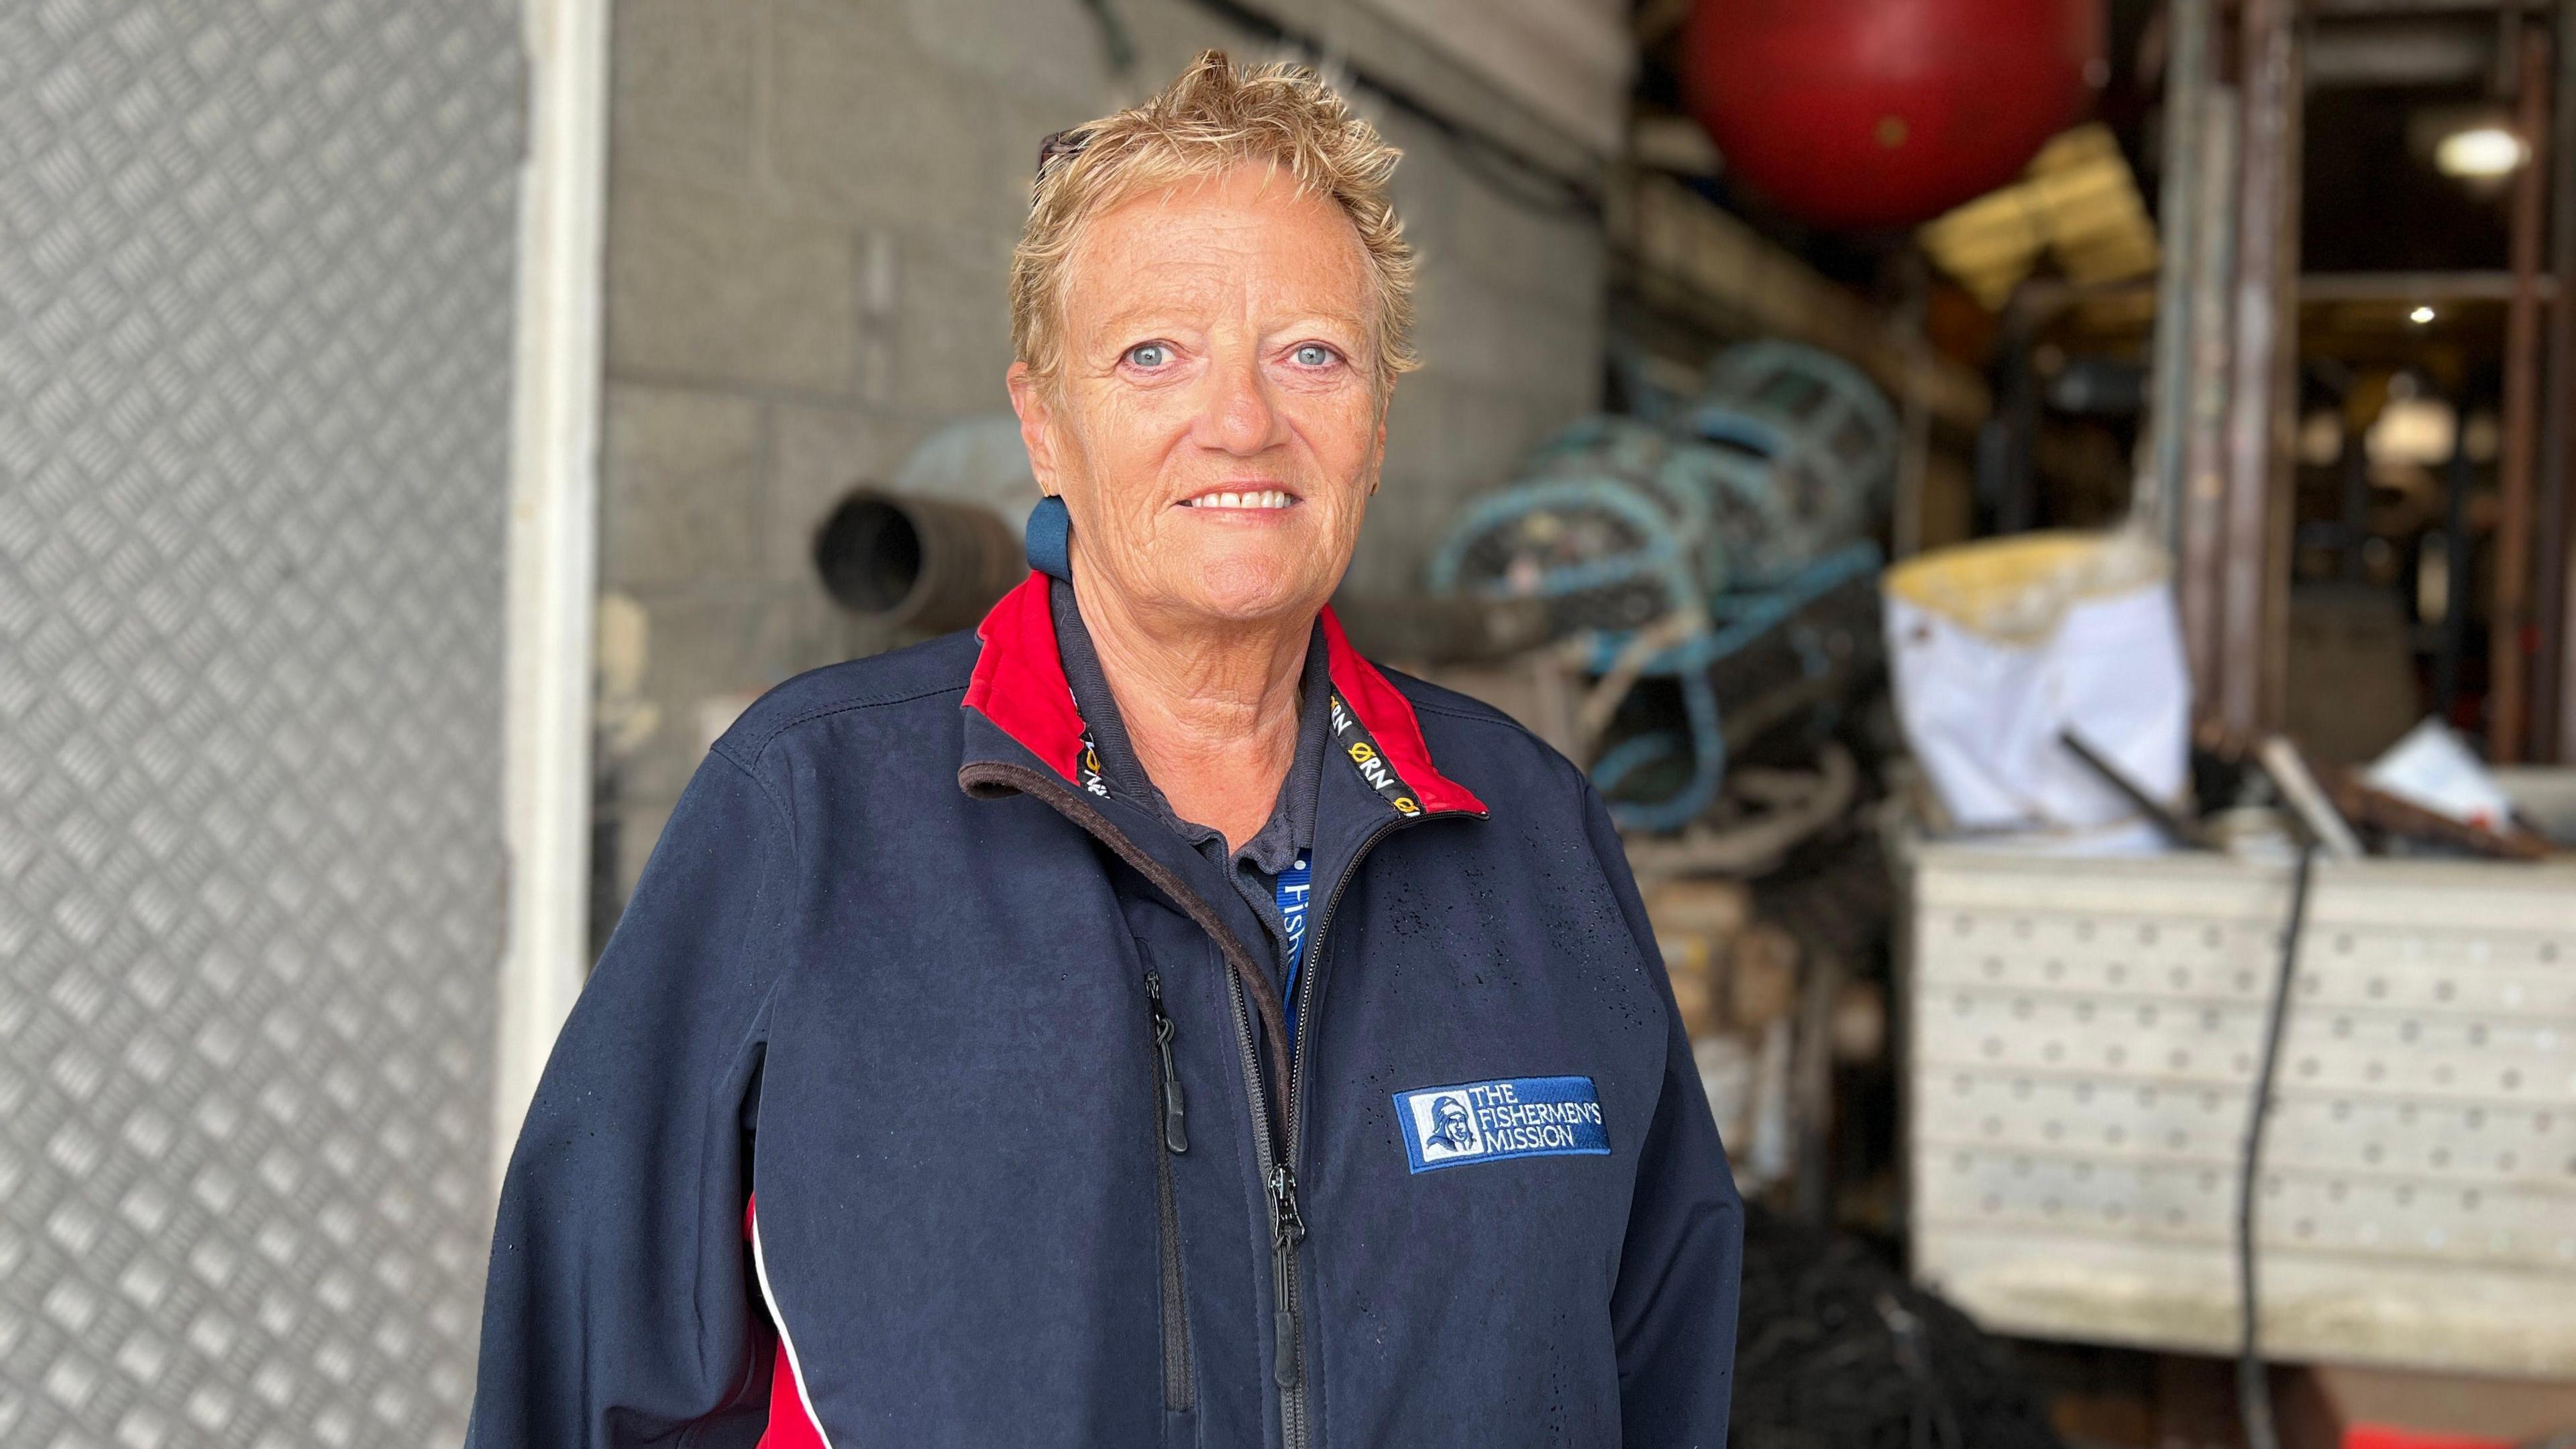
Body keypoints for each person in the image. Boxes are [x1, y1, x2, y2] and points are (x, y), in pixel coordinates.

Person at [466, 51, 1741, 1449]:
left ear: (1377, 420)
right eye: (1154, 354)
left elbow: (1663, 1350)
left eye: (1311, 352)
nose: (1243, 421)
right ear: (1043, 424)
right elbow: (581, 1378)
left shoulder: (1534, 832)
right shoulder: (809, 813)